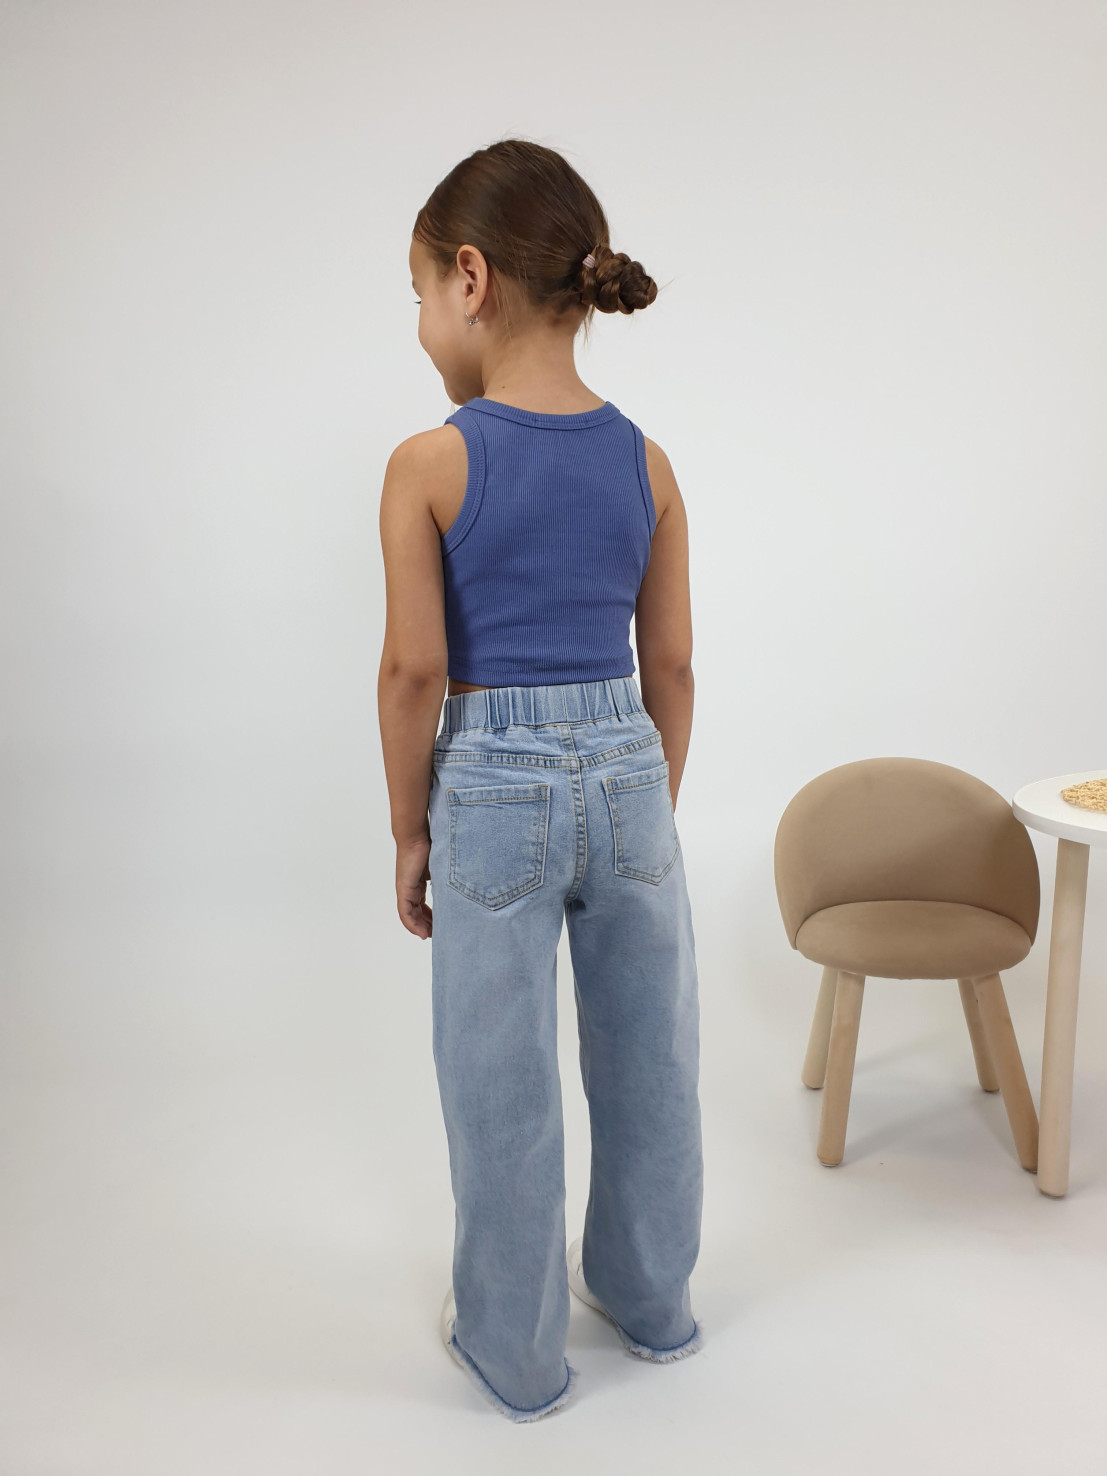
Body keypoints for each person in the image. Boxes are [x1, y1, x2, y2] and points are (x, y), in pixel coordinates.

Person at [377, 137, 703, 1423]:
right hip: (630, 773)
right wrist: (647, 806)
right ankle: (651, 1300)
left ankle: (516, 1355)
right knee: (651, 1062)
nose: (418, 323)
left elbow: (415, 671)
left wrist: (410, 830)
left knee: (499, 1081)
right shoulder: (647, 464)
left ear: (470, 279)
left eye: (416, 293)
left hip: (491, 791)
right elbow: (670, 666)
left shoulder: (429, 465)